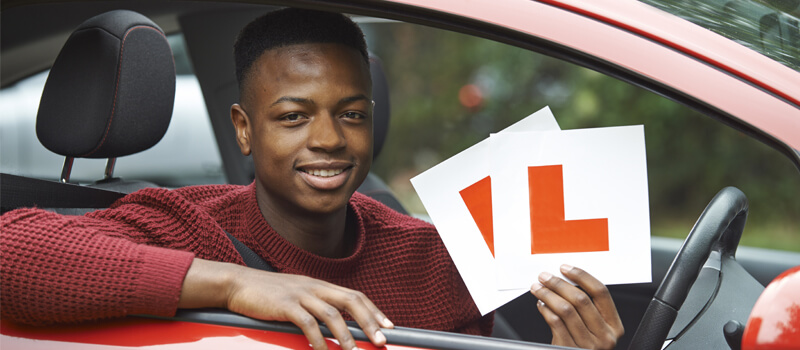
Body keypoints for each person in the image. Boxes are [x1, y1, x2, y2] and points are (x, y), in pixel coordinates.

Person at [0, 8, 623, 350]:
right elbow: (11, 250)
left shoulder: (435, 257)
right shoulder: (187, 222)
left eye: (351, 114)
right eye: (293, 117)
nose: (328, 139)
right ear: (245, 131)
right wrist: (235, 286)